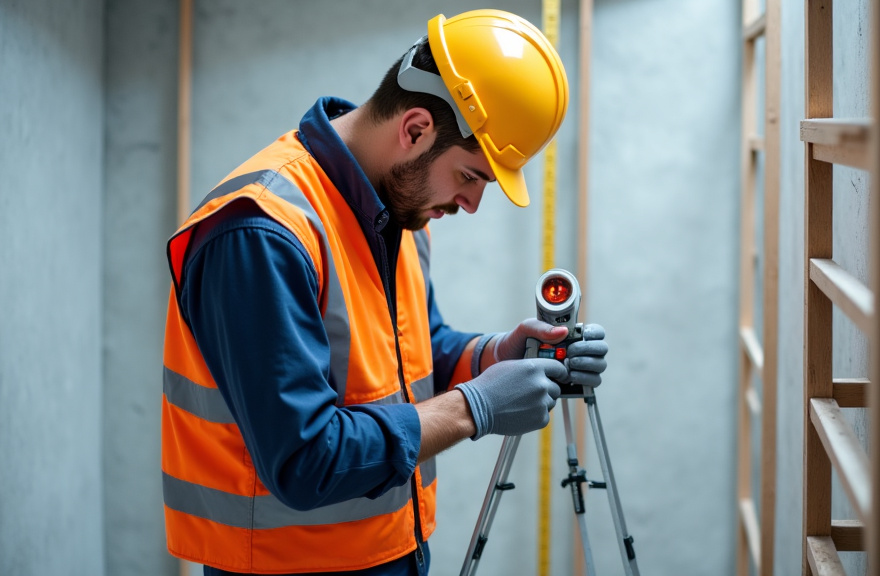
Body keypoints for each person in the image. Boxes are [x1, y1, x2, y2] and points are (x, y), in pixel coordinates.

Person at [161, 9, 608, 576]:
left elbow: (417, 352)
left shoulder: (397, 218)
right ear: (416, 129)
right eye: (471, 176)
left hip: (394, 552)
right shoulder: (261, 233)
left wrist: (498, 355)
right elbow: (306, 460)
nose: (471, 204)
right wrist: (478, 406)